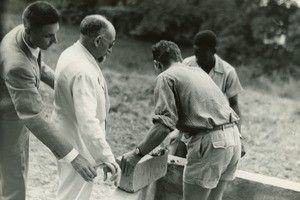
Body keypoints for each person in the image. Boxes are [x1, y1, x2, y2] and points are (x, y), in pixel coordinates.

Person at [121, 40, 241, 200]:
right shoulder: (198, 72)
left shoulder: (166, 77)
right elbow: (207, 109)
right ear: (179, 57)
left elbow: (163, 125)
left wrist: (137, 153)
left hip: (211, 144)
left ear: (157, 64)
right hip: (233, 139)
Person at [0, 2, 97, 200]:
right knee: (15, 182)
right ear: (29, 30)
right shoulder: (16, 65)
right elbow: (35, 117)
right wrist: (73, 157)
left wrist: (66, 88)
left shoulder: (24, 34)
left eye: (55, 33)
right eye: (48, 35)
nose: (56, 40)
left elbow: (38, 66)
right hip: (7, 122)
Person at [52, 15, 121, 200]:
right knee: (73, 195)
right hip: (77, 142)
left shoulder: (70, 52)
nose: (111, 50)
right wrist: (106, 157)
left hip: (68, 134)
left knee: (69, 191)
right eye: (111, 44)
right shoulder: (83, 71)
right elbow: (88, 122)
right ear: (98, 40)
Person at [171, 30, 245, 158]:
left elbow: (234, 104)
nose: (198, 59)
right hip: (189, 122)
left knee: (213, 162)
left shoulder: (228, 72)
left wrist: (238, 136)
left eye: (202, 55)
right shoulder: (187, 65)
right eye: (196, 54)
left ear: (213, 51)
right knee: (176, 158)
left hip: (214, 125)